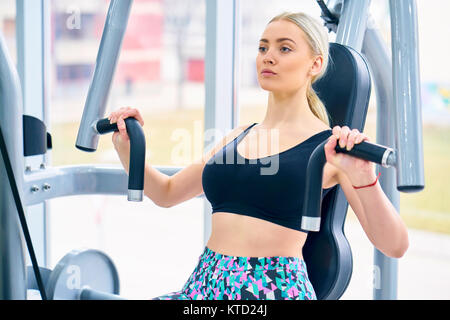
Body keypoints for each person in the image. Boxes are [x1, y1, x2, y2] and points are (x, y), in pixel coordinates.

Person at [108, 12, 409, 300]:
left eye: (284, 48)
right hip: (203, 286)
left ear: (315, 64)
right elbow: (166, 192)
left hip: (272, 289)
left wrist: (365, 179)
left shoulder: (330, 149)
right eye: (263, 47)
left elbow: (394, 245)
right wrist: (127, 147)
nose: (268, 56)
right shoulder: (237, 136)